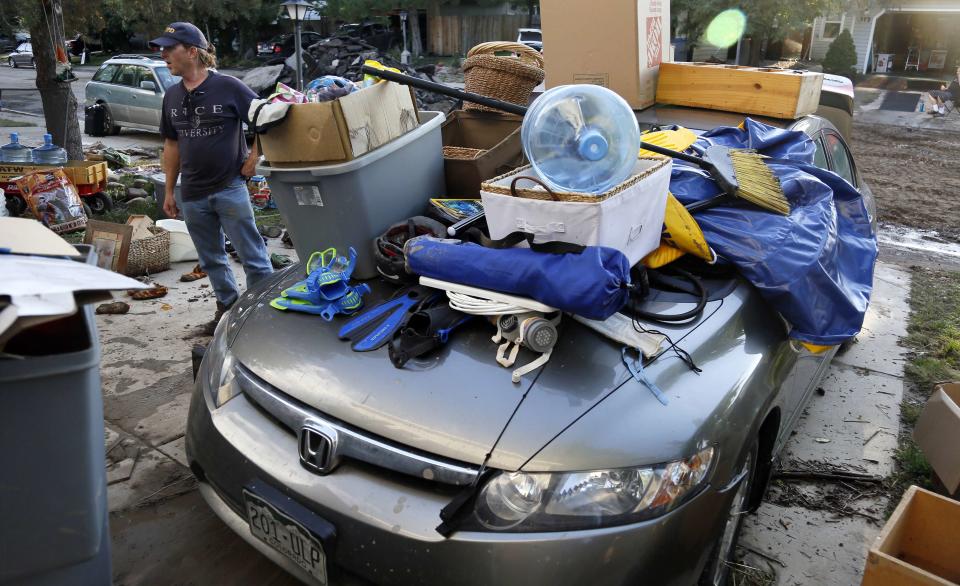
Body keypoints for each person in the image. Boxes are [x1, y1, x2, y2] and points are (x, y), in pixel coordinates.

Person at [150, 22, 273, 334]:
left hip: (229, 187)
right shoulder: (172, 96)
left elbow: (268, 117)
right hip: (192, 194)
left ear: (192, 51)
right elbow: (172, 145)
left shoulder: (229, 87)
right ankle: (228, 314)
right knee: (212, 260)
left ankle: (263, 318)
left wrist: (253, 158)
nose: (163, 54)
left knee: (253, 257)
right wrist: (169, 191)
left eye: (169, 48)